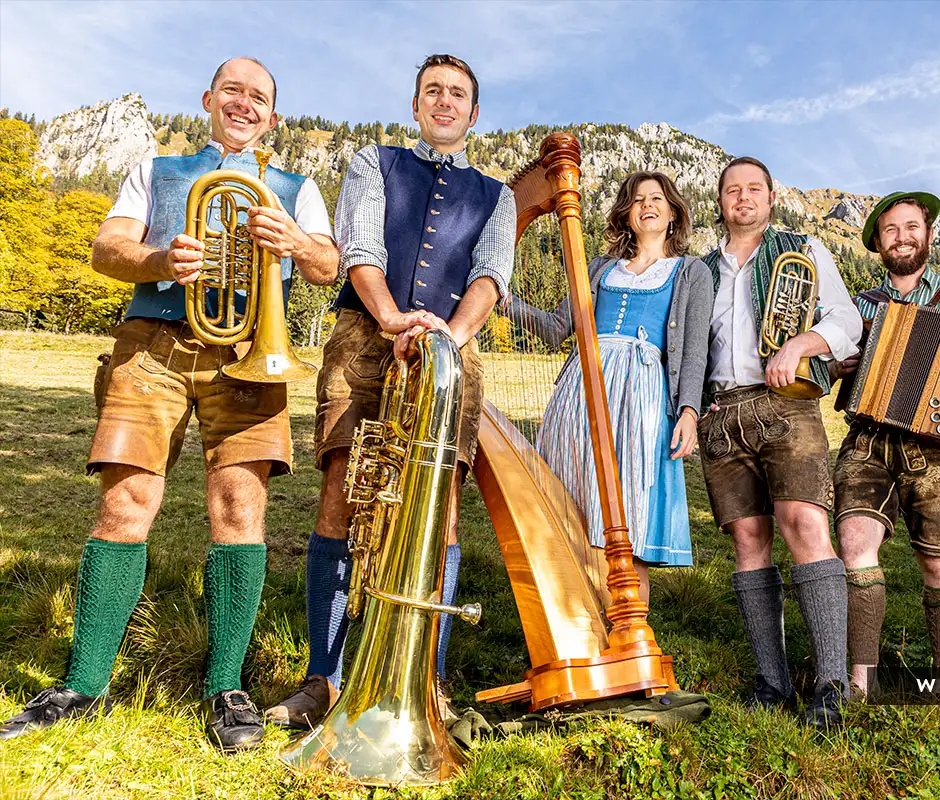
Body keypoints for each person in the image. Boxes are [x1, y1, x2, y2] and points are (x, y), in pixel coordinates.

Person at [0, 57, 339, 751]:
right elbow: (106, 249)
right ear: (210, 100)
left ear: (273, 116)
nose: (246, 106)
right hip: (151, 347)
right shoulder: (155, 171)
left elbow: (329, 266)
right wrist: (160, 261)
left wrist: (295, 241)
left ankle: (225, 686)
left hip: (248, 352)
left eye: (261, 99)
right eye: (234, 93)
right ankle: (85, 684)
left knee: (239, 511)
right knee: (125, 506)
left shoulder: (297, 188)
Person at [265, 54, 515, 730]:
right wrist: (391, 318)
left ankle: (422, 683)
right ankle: (324, 679)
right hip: (363, 339)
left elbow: (491, 275)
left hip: (450, 355)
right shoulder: (374, 162)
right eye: (432, 91)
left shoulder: (500, 195)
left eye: (456, 94)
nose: (444, 102)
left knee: (442, 508)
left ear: (473, 112)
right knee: (344, 490)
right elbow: (360, 252)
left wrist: (450, 337)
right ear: (414, 106)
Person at [698, 156, 861, 729]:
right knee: (748, 540)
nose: (742, 198)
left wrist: (801, 345)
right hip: (723, 411)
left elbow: (847, 320)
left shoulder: (805, 247)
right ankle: (771, 679)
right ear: (720, 201)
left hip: (787, 403)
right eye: (731, 190)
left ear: (770, 198)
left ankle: (831, 684)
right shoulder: (702, 268)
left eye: (753, 189)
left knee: (805, 527)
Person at [504, 171, 715, 600]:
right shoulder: (601, 268)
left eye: (657, 198)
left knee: (627, 523)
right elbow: (554, 328)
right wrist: (502, 299)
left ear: (673, 213)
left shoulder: (691, 272)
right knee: (573, 511)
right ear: (626, 213)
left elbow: (694, 352)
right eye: (637, 199)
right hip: (581, 391)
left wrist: (689, 412)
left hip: (642, 397)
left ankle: (625, 637)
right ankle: (580, 626)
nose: (647, 205)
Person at [832, 191, 940, 698]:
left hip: (938, 446)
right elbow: (831, 372)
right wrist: (842, 366)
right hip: (867, 440)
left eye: (911, 227)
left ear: (928, 234)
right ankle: (861, 681)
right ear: (877, 243)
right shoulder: (860, 307)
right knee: (854, 544)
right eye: (891, 230)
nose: (902, 237)